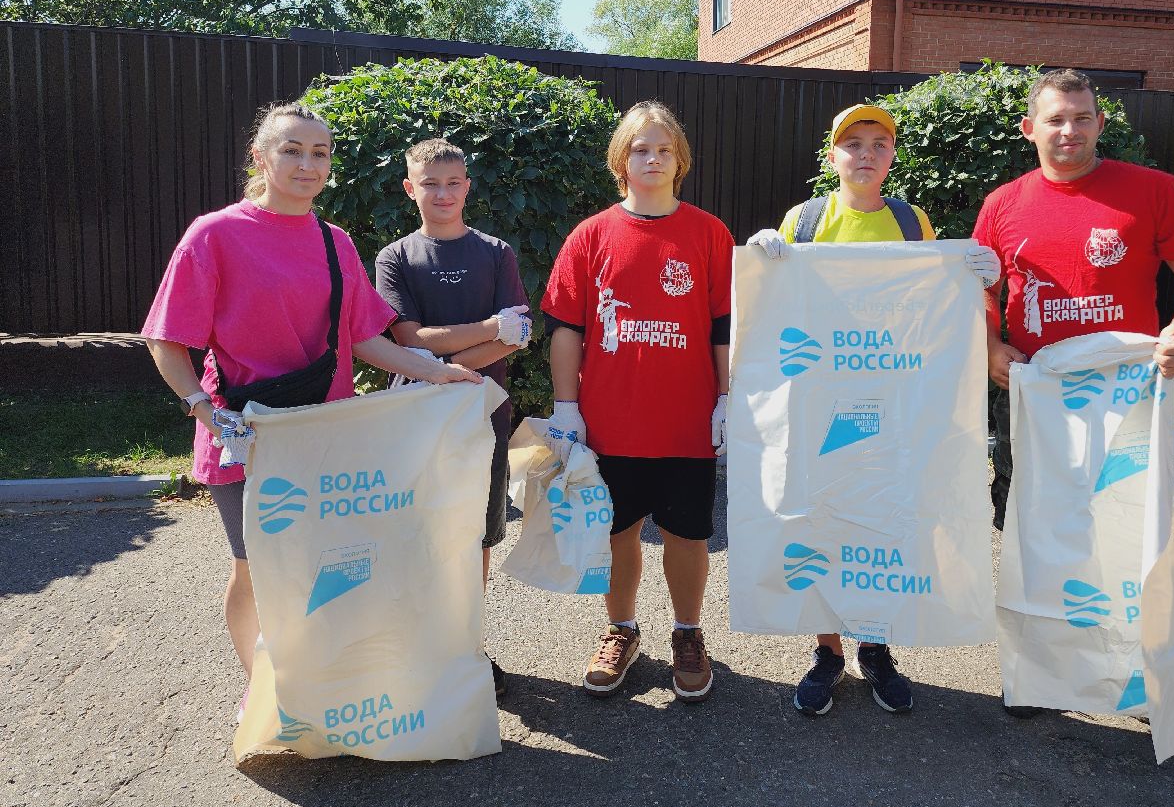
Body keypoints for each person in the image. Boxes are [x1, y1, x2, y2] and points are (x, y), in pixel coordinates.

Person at [141, 103, 483, 704]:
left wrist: (437, 373)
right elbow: (166, 340)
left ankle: (322, 687)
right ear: (260, 158)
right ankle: (264, 696)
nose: (307, 164)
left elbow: (364, 338)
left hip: (326, 436)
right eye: (292, 150)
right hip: (247, 436)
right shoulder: (214, 234)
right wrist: (203, 409)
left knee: (329, 565)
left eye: (319, 153)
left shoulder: (334, 242)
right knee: (256, 567)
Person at [974, 68, 1174, 744]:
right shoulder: (1002, 205)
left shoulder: (1153, 191)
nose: (1069, 130)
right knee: (1037, 538)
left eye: (1082, 117)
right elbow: (983, 293)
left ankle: (1145, 682)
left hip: (1128, 398)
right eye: (1055, 119)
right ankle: (1039, 676)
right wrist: (989, 345)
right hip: (1036, 400)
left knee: (1134, 540)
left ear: (1100, 124)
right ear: (1029, 129)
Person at [745, 103, 1000, 717]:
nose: (865, 154)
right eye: (853, 143)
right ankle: (827, 652)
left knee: (883, 517)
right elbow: (782, 306)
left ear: (891, 156)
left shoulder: (912, 222)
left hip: (891, 401)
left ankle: (876, 648)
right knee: (822, 518)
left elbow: (932, 303)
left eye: (878, 144)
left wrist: (974, 277)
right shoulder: (805, 221)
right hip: (820, 401)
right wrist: (760, 264)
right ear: (833, 155)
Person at [540, 101, 733, 704]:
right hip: (611, 422)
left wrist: (727, 397)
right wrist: (566, 407)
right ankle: (621, 629)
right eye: (640, 149)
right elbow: (567, 328)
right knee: (617, 533)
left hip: (686, 423)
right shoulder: (591, 234)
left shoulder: (709, 233)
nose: (653, 159)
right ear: (621, 161)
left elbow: (725, 325)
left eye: (664, 149)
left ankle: (687, 632)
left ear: (681, 160)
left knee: (688, 535)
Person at [374, 138, 533, 697]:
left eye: (452, 183)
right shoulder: (395, 258)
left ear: (467, 187)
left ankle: (466, 645)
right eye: (430, 184)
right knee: (418, 533)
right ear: (409, 188)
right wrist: (489, 329)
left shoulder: (496, 253)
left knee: (475, 536)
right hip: (414, 417)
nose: (442, 194)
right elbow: (408, 339)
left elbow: (514, 339)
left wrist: (443, 365)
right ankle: (421, 649)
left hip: (483, 415)